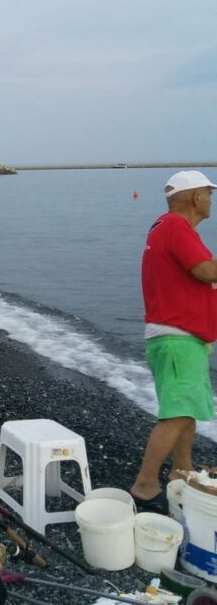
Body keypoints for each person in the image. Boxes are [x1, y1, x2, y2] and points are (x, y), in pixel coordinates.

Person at [130, 170, 217, 513]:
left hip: (176, 337)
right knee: (178, 413)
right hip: (178, 338)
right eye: (209, 194)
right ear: (196, 197)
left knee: (186, 410)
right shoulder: (177, 227)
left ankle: (181, 472)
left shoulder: (162, 227)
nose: (211, 201)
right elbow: (205, 271)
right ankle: (145, 484)